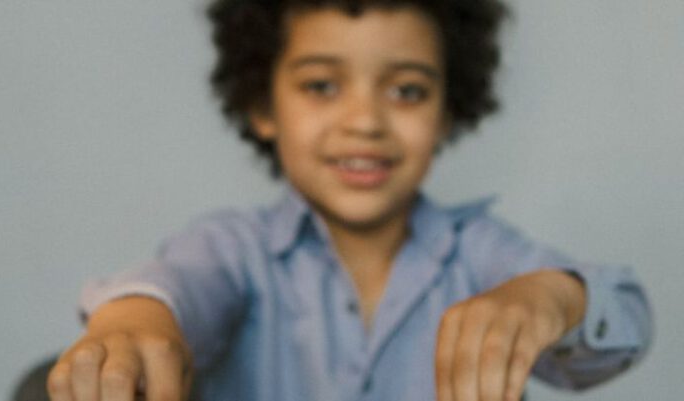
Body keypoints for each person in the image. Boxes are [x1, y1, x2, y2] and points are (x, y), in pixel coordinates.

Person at [47, 1, 652, 400]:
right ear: (261, 104)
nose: (365, 120)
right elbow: (176, 285)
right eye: (322, 86)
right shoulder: (235, 251)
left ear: (447, 113)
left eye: (407, 90)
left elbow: (624, 313)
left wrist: (553, 296)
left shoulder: (480, 254)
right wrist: (134, 320)